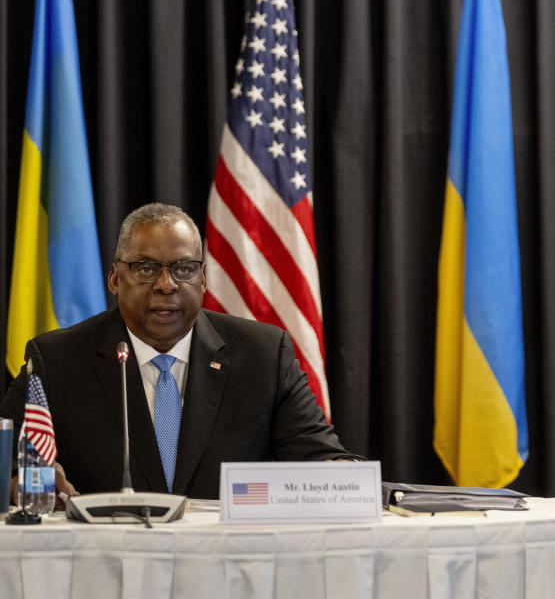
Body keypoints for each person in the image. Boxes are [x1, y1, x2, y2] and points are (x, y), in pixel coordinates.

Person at [2, 203, 360, 503]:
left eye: (184, 269)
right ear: (114, 279)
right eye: (145, 268)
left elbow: (318, 456)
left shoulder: (264, 354)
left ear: (203, 279)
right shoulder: (57, 359)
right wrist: (22, 482)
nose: (166, 284)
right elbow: (6, 464)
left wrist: (343, 476)